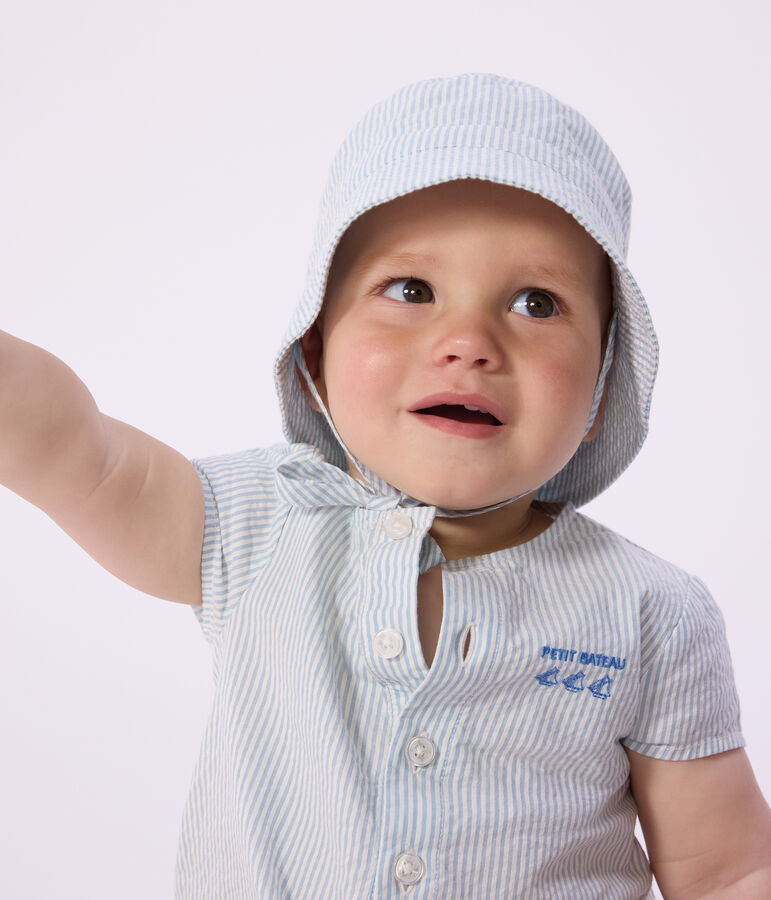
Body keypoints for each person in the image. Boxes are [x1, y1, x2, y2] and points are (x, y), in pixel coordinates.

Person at [1, 73, 770, 899]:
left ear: (602, 396)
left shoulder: (651, 612)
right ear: (313, 356)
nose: (468, 341)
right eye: (409, 290)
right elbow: (87, 456)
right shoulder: (256, 526)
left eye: (535, 302)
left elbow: (726, 867)